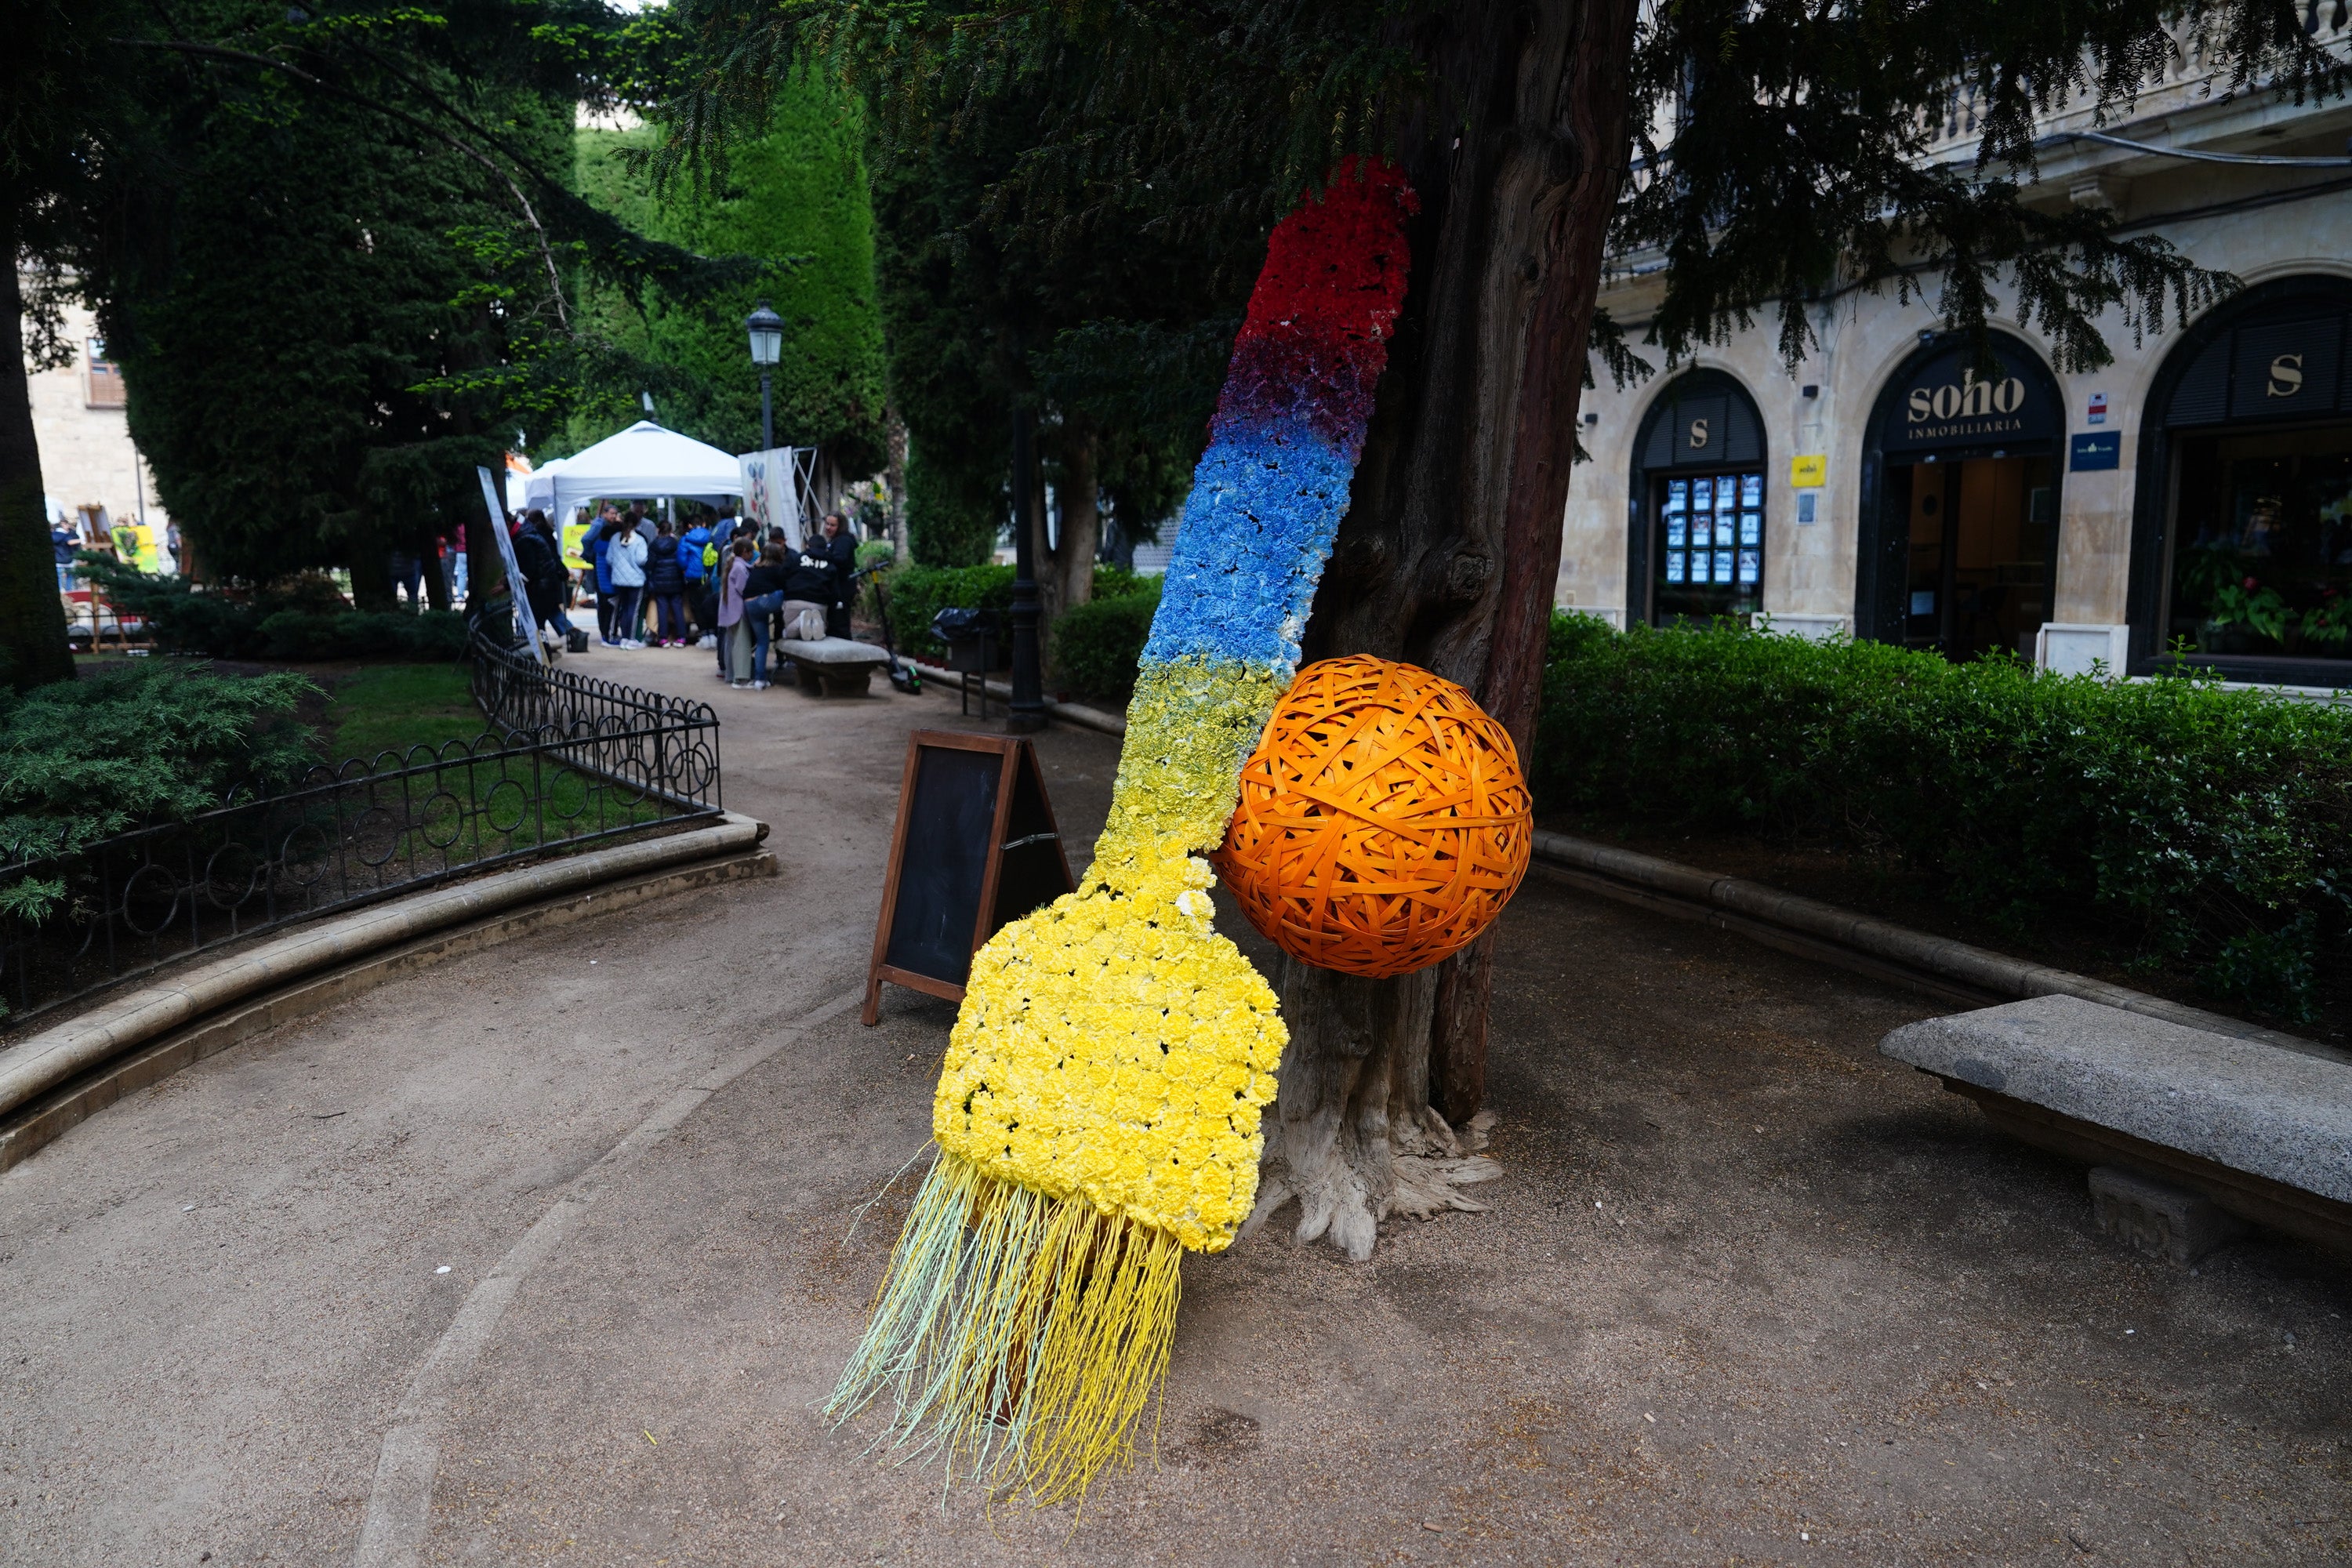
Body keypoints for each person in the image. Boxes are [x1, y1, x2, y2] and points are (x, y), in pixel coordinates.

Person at [513, 509, 571, 649]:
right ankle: (567, 633)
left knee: (541, 618)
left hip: (542, 584)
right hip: (549, 582)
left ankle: (560, 636)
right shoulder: (545, 533)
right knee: (548, 614)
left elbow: (534, 566)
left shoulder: (535, 535)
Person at [604, 510, 649, 648]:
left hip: (619, 580)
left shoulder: (615, 538)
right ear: (637, 524)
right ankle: (631, 639)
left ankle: (624, 638)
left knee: (623, 610)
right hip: (635, 580)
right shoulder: (640, 540)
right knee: (633, 610)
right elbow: (641, 560)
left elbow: (609, 559)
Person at [645, 519, 689, 646]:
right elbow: (681, 562)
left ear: (658, 530)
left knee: (662, 610)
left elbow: (650, 565)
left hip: (659, 582)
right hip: (676, 581)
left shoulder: (654, 545)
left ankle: (663, 638)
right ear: (670, 531)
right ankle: (681, 637)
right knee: (678, 609)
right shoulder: (677, 544)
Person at [717, 537, 754, 685]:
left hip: (730, 611)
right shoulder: (740, 568)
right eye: (751, 552)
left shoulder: (734, 565)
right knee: (742, 645)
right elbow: (743, 588)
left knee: (732, 644)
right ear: (745, 552)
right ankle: (741, 679)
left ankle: (731, 675)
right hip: (738, 611)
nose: (753, 555)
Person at [818, 511, 858, 637]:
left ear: (840, 526)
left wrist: (823, 556)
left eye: (832, 525)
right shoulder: (836, 540)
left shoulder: (844, 541)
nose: (828, 527)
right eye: (827, 524)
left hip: (842, 588)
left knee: (840, 624)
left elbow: (840, 559)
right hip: (837, 587)